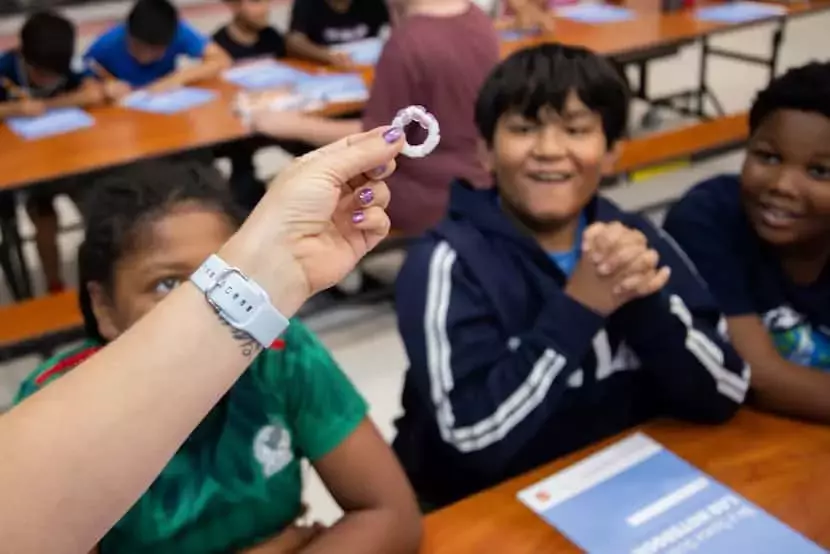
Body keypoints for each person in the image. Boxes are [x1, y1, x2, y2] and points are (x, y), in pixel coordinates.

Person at [0, 126, 407, 554]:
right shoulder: (58, 406)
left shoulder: (282, 354)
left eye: (224, 275)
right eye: (166, 285)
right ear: (103, 307)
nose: (200, 309)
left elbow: (389, 514)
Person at [392, 44, 750, 510]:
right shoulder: (446, 264)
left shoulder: (637, 240)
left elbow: (725, 391)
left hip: (624, 486)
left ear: (612, 153)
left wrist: (639, 299)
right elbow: (474, 439)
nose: (549, 151)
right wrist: (582, 306)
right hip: (489, 507)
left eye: (577, 130)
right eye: (523, 129)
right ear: (485, 151)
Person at [664, 62, 830, 424]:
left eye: (819, 171)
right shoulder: (707, 219)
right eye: (767, 157)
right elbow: (758, 376)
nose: (782, 185)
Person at [257, 0, 499, 235]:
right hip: (478, 185)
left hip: (426, 198)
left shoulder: (408, 42)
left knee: (288, 187)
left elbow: (378, 136)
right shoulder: (478, 19)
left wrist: (291, 125)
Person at [0, 11, 104, 294]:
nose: (47, 81)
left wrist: (49, 105)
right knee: (44, 218)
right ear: (22, 53)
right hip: (30, 171)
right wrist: (12, 110)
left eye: (53, 76)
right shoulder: (5, 67)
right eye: (40, 74)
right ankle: (54, 284)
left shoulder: (66, 63)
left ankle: (103, 276)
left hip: (71, 159)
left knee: (101, 207)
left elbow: (94, 93)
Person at [213, 0, 288, 211]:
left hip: (281, 117)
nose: (264, 9)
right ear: (235, 6)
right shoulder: (219, 44)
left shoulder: (272, 37)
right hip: (241, 125)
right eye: (255, 3)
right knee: (242, 168)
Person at [84, 0, 231, 101]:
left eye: (156, 51)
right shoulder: (108, 42)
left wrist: (175, 79)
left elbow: (221, 60)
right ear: (128, 34)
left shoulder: (177, 31)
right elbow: (84, 78)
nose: (146, 57)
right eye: (139, 48)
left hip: (166, 102)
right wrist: (105, 88)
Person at [286, 0, 390, 67]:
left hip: (367, 68)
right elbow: (294, 41)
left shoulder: (374, 4)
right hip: (325, 70)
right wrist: (326, 55)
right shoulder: (307, 4)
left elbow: (398, 29)